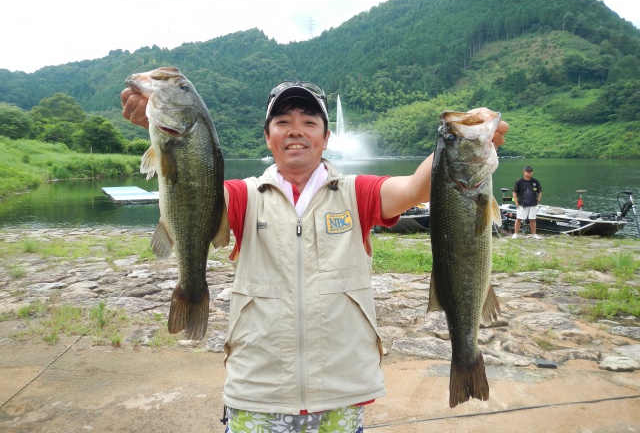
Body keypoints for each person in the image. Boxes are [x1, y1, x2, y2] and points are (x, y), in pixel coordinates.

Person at [122, 80, 508, 433]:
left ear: (326, 138)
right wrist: (170, 140)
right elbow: (196, 194)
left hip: (339, 390)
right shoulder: (244, 196)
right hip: (257, 390)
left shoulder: (358, 193)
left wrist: (466, 141)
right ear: (268, 138)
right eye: (283, 121)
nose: (296, 130)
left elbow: (414, 187)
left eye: (309, 121)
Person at [512, 166, 542, 239]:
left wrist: (538, 200)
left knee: (533, 219)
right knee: (519, 218)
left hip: (533, 203)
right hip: (522, 203)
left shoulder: (535, 181)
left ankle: (534, 234)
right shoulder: (519, 181)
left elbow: (540, 191)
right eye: (527, 171)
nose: (529, 173)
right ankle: (516, 233)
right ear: (524, 172)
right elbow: (514, 192)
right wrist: (516, 202)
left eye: (530, 171)